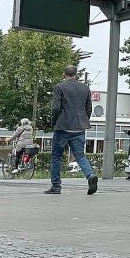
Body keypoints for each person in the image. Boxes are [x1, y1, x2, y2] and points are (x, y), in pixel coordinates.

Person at [45, 65, 98, 195]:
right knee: (80, 155)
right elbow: (88, 108)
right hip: (79, 127)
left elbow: (56, 108)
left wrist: (54, 122)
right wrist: (83, 120)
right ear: (76, 74)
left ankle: (56, 186)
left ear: (64, 74)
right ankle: (90, 176)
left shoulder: (59, 87)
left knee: (56, 156)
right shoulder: (85, 88)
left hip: (63, 126)